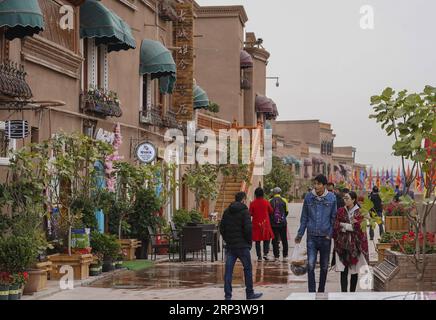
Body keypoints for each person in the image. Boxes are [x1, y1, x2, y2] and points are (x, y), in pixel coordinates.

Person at [295, 174, 337, 293]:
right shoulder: (309, 197)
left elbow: (333, 219)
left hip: (325, 237)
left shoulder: (332, 198)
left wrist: (330, 234)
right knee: (311, 265)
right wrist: (300, 234)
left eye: (318, 184)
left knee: (324, 267)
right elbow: (304, 217)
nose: (316, 186)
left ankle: (321, 290)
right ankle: (311, 291)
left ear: (324, 186)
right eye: (315, 183)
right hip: (311, 237)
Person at [220, 192, 263, 300]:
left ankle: (228, 296)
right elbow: (248, 230)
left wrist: (227, 239)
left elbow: (222, 228)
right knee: (247, 269)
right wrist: (248, 243)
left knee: (228, 271)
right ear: (243, 199)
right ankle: (249, 293)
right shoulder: (245, 212)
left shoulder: (226, 212)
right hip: (242, 246)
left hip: (230, 247)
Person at [332, 191, 369, 292]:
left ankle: (352, 293)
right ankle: (344, 293)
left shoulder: (360, 212)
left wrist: (344, 225)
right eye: (344, 198)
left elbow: (359, 228)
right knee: (343, 271)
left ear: (353, 200)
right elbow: (336, 224)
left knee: (354, 271)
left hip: (355, 246)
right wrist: (347, 226)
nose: (345, 200)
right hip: (342, 245)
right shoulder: (340, 211)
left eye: (347, 198)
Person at [249, 187, 274, 261]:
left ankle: (259, 256)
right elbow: (271, 211)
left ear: (255, 194)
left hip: (256, 223)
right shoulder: (266, 202)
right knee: (267, 239)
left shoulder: (252, 203)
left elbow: (250, 213)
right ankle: (265, 254)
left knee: (257, 240)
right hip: (265, 223)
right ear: (263, 194)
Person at [269, 187, 289, 262]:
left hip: (273, 224)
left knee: (274, 240)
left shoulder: (270, 201)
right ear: (280, 192)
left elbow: (269, 212)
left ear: (273, 193)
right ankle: (285, 255)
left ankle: (276, 256)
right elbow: (287, 211)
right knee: (284, 239)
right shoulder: (284, 200)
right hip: (283, 223)